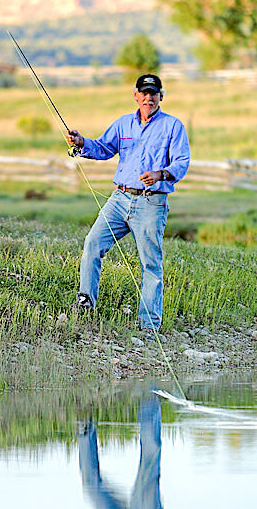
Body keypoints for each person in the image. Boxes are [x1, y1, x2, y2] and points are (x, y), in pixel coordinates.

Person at [67, 74, 190, 331]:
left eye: (153, 93)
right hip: (119, 198)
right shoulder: (123, 124)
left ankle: (149, 326)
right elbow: (102, 148)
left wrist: (160, 174)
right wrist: (81, 143)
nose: (149, 98)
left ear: (161, 97)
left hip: (151, 202)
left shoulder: (173, 126)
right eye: (144, 93)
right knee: (92, 243)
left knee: (150, 264)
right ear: (136, 95)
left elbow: (181, 162)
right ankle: (85, 303)